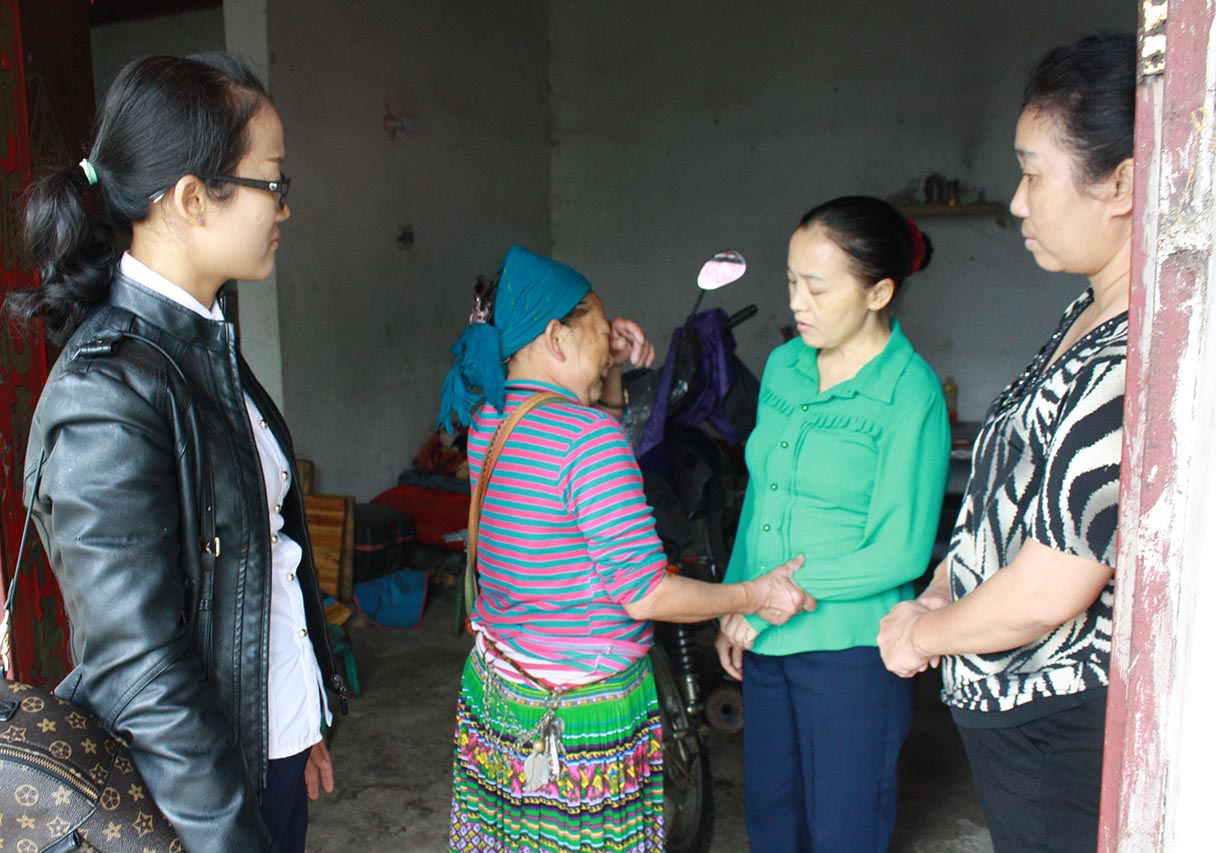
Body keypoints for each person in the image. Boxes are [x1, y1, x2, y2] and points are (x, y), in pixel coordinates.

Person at [10, 53, 342, 853]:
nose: (284, 208)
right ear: (193, 198)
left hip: (262, 756)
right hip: (193, 809)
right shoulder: (107, 392)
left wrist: (298, 711)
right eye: (273, 182)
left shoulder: (199, 345)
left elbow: (258, 561)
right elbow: (140, 668)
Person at [438, 244, 815, 852]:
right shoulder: (586, 439)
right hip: (581, 709)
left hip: (502, 688)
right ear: (555, 337)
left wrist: (608, 369)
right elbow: (646, 594)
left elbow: (584, 459)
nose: (610, 341)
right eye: (600, 329)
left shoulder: (491, 418)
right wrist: (753, 594)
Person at [877, 33, 1134, 853]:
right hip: (1015, 721)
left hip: (1059, 728)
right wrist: (938, 591)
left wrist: (921, 634)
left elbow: (1052, 586)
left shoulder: (1135, 355)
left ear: (1123, 183)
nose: (1018, 202)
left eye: (1033, 172)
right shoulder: (1086, 314)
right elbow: (1004, 503)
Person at [716, 196, 950, 852]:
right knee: (771, 818)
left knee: (844, 830)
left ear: (879, 292)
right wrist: (733, 599)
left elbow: (901, 552)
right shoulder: (786, 366)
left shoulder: (910, 393)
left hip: (850, 655)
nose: (798, 303)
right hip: (765, 640)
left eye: (816, 288)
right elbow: (763, 494)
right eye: (791, 281)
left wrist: (767, 600)